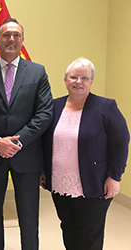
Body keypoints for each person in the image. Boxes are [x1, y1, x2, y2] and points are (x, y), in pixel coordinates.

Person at [0, 18, 53, 250]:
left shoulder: (38, 72)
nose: (11, 39)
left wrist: (18, 142)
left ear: (23, 40)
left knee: (28, 215)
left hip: (27, 156)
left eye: (16, 35)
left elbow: (44, 114)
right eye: (6, 35)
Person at [40, 57, 129, 250]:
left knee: (89, 233)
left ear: (91, 81)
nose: (78, 82)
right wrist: (43, 170)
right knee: (68, 227)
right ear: (65, 80)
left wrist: (115, 177)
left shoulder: (105, 107)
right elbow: (45, 142)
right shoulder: (54, 107)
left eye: (84, 78)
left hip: (94, 183)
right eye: (73, 77)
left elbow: (121, 143)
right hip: (60, 183)